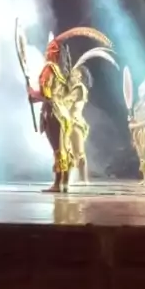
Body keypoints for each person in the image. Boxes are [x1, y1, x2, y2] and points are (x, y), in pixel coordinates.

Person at [28, 27, 113, 192]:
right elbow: (55, 95)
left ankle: (59, 183)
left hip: (54, 113)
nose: (46, 52)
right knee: (64, 149)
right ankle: (64, 183)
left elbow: (47, 95)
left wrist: (33, 94)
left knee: (59, 149)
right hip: (62, 113)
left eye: (49, 50)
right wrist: (36, 97)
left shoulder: (49, 69)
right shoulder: (60, 73)